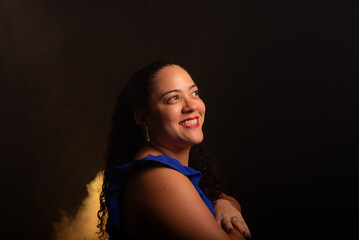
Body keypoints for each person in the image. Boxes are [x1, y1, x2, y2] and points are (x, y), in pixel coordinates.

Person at [97, 61, 251, 239]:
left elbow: (224, 198)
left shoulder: (173, 168)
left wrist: (223, 203)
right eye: (173, 98)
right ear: (142, 119)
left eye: (194, 93)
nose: (191, 106)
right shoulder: (157, 175)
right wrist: (234, 223)